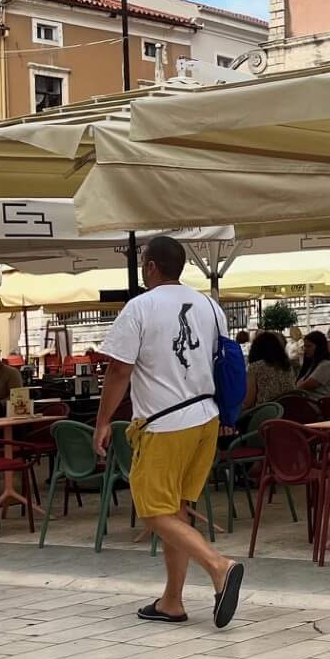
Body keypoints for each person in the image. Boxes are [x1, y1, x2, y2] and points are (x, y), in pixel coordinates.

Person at [92, 234, 244, 629]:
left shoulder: (140, 307)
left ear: (151, 266)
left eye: (144, 263)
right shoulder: (210, 306)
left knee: (153, 510)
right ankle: (172, 600)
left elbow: (119, 370)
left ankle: (218, 565)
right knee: (175, 508)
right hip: (206, 418)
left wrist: (103, 421)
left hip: (164, 423)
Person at [243, 331, 295, 413]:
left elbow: (248, 402)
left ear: (256, 348)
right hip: (289, 411)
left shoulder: (255, 367)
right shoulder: (287, 366)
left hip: (265, 414)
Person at [296, 330, 330, 396]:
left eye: (309, 346)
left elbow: (303, 386)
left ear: (319, 347)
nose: (305, 349)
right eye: (305, 346)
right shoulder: (313, 364)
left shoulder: (325, 366)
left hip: (318, 404)